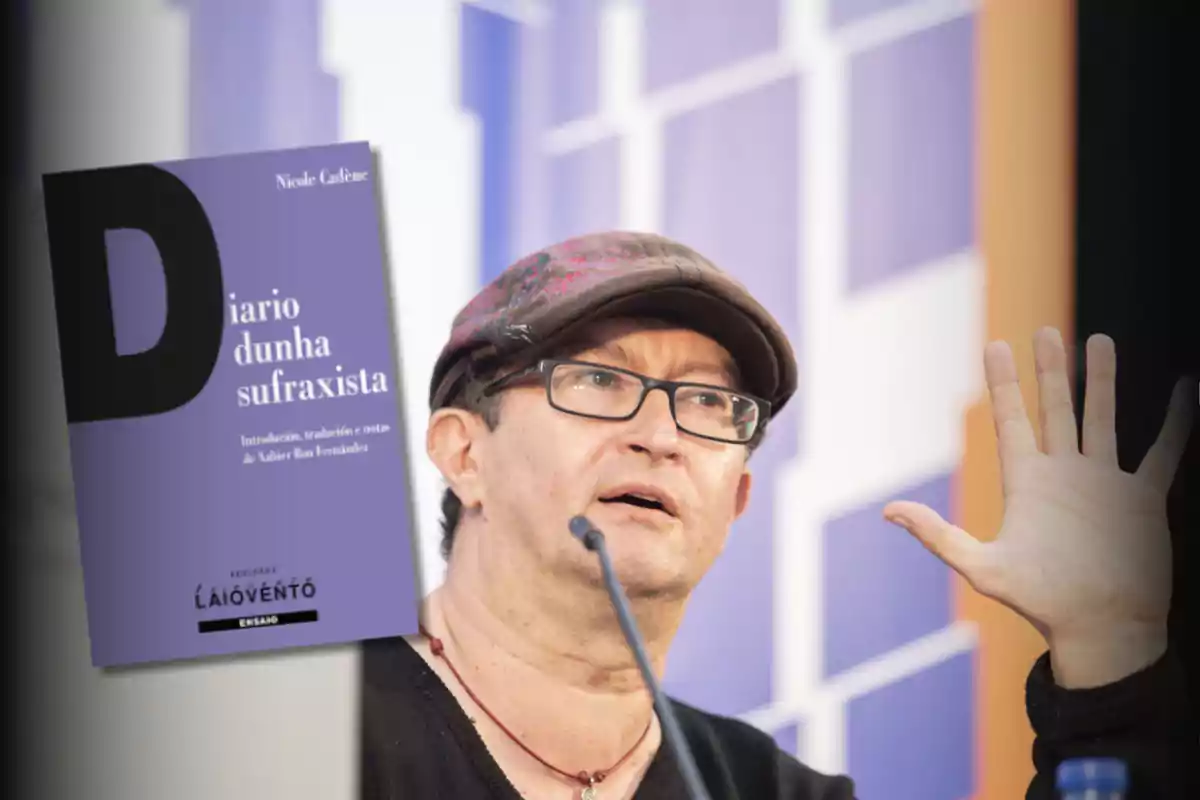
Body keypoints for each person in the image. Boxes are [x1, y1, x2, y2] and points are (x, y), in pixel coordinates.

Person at [359, 231, 1195, 799]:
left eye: (711, 403)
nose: (661, 437)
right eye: (600, 381)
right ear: (464, 453)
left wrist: (1108, 653)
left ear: (737, 501)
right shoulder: (290, 727)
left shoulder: (765, 790)